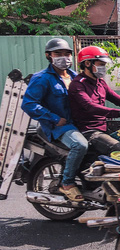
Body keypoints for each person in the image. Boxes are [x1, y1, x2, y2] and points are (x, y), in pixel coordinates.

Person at [21, 38, 88, 201]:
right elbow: (28, 104)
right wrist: (54, 118)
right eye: (58, 53)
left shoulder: (75, 76)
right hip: (57, 127)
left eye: (67, 54)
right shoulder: (42, 78)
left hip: (76, 123)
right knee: (80, 145)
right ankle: (67, 183)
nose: (63, 57)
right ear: (48, 56)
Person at [68, 46, 120, 156]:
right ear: (87, 64)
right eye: (101, 64)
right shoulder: (78, 84)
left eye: (104, 65)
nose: (103, 68)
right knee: (116, 146)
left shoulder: (100, 82)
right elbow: (90, 106)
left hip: (104, 126)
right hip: (88, 130)